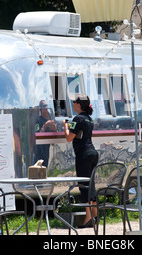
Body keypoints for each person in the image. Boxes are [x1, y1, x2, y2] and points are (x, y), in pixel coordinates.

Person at [63, 94, 99, 228]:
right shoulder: (89, 119)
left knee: (84, 186)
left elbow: (68, 138)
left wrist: (65, 126)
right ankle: (95, 216)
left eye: (74, 102)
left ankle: (88, 219)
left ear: (79, 105)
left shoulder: (77, 118)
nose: (72, 104)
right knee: (91, 186)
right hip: (93, 153)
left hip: (83, 155)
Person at [34, 100, 56, 167]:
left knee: (44, 170)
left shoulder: (49, 120)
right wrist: (45, 126)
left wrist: (54, 130)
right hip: (39, 152)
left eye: (47, 106)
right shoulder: (38, 120)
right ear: (41, 109)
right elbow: (38, 136)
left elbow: (53, 142)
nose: (46, 108)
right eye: (44, 106)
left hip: (46, 151)